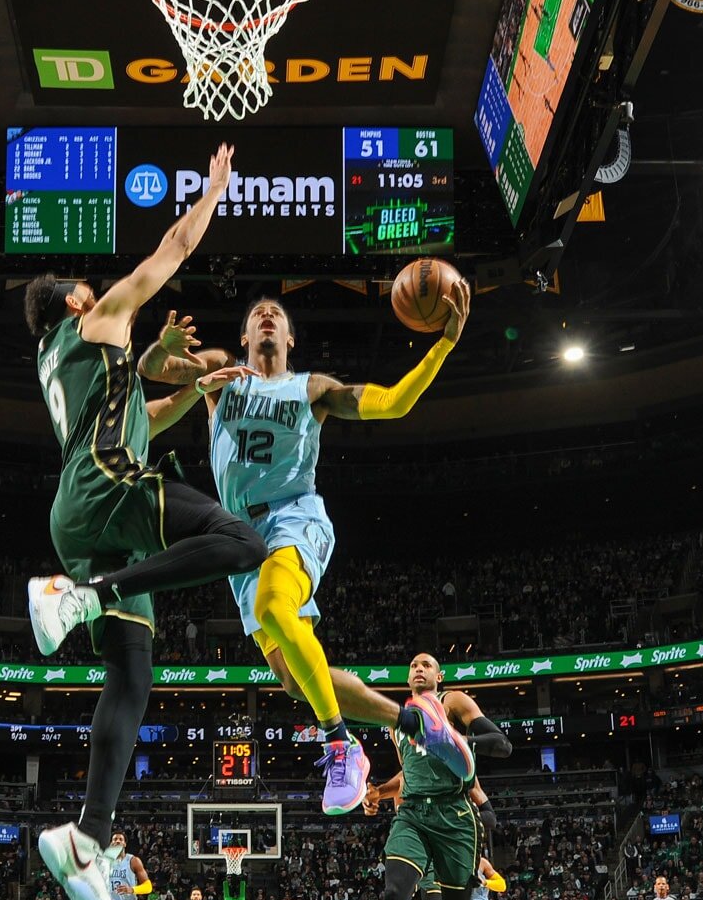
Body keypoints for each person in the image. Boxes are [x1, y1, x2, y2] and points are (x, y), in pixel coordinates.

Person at [22, 142, 268, 900]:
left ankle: (87, 834)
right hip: (105, 486)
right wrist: (213, 194)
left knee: (132, 673)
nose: (102, 289)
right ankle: (80, 596)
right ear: (73, 304)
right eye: (90, 288)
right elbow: (173, 249)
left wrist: (191, 382)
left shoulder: (75, 364)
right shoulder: (94, 320)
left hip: (82, 508)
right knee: (241, 540)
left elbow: (142, 414)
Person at [138, 288, 476, 814]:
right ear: (245, 337)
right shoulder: (222, 373)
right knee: (296, 681)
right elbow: (154, 369)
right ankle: (413, 722)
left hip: (295, 518)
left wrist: (443, 346)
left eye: (276, 314)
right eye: (256, 313)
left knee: (274, 607)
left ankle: (341, 743)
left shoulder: (311, 389)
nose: (266, 313)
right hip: (238, 538)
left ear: (289, 338)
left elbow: (391, 403)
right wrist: (164, 347)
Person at [361, 654, 513, 900]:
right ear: (407, 679)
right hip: (413, 815)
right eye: (414, 666)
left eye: (426, 665)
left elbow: (501, 744)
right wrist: (378, 792)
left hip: (453, 815)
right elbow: (410, 775)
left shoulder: (453, 701)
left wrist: (452, 741)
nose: (419, 669)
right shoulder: (398, 723)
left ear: (438, 677)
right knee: (393, 897)